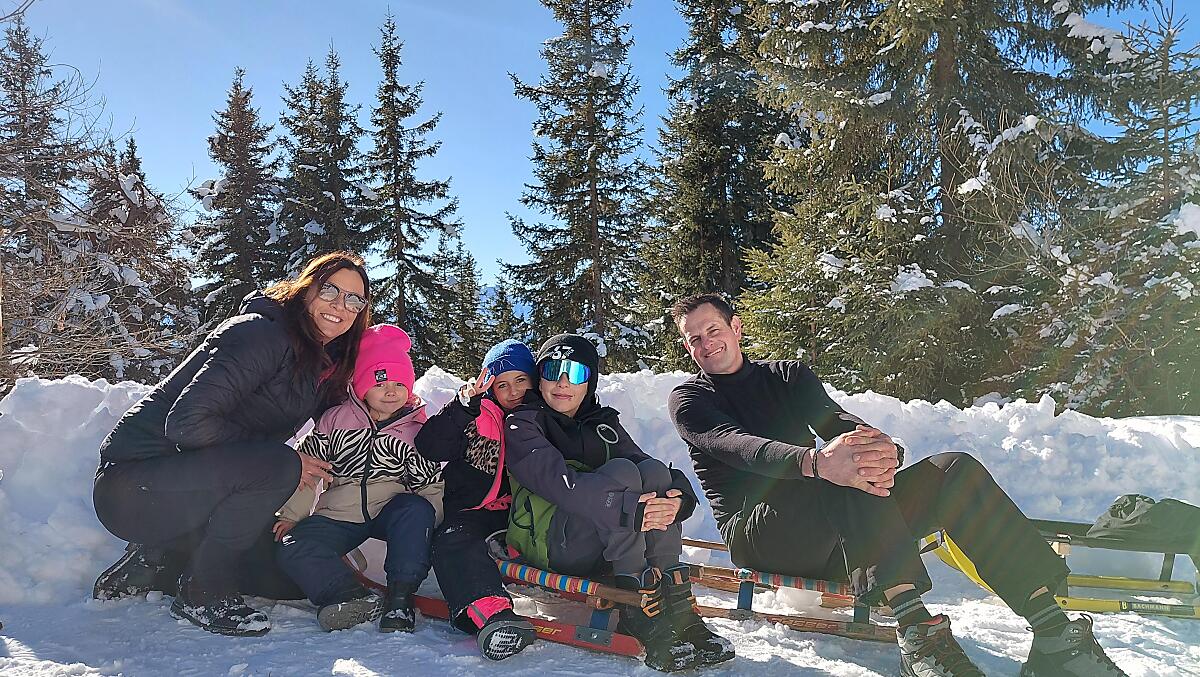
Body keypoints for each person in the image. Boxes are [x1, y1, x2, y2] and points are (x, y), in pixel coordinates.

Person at [666, 293, 1129, 677]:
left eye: (713, 329)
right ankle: (915, 631)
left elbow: (834, 420)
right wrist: (818, 462)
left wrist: (881, 448)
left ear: (736, 327)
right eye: (694, 339)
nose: (707, 343)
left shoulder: (788, 376)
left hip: (838, 533)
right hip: (761, 534)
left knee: (953, 472)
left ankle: (1052, 632)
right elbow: (736, 445)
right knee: (841, 471)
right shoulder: (690, 399)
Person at [91, 251, 370, 636]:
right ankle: (201, 591)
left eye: (354, 299)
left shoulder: (318, 360)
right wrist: (277, 460)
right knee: (279, 466)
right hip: (133, 488)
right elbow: (187, 423)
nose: (340, 305)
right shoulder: (261, 334)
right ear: (306, 290)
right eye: (330, 290)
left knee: (282, 579)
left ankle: (159, 560)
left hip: (190, 490)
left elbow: (337, 412)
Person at [504, 334, 733, 673]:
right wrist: (627, 507)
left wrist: (679, 499)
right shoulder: (523, 423)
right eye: (553, 371)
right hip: (553, 544)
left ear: (589, 381)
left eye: (575, 373)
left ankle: (676, 605)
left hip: (600, 542)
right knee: (622, 473)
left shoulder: (602, 422)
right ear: (540, 378)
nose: (563, 382)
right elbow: (561, 485)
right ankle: (634, 606)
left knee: (653, 472)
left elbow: (645, 463)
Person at [273, 324, 444, 633]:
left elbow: (429, 483)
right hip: (339, 512)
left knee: (416, 509)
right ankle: (348, 594)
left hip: (389, 509)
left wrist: (434, 527)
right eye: (380, 383)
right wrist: (292, 514)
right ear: (362, 384)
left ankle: (401, 595)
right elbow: (309, 468)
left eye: (400, 384)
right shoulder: (336, 420)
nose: (391, 392)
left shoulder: (415, 430)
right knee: (293, 544)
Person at [414, 339, 538, 661]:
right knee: (451, 541)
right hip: (473, 510)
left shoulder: (542, 417)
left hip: (523, 514)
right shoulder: (476, 414)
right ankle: (492, 614)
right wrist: (462, 406)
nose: (513, 391)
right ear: (490, 387)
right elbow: (429, 446)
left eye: (521, 380)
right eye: (502, 384)